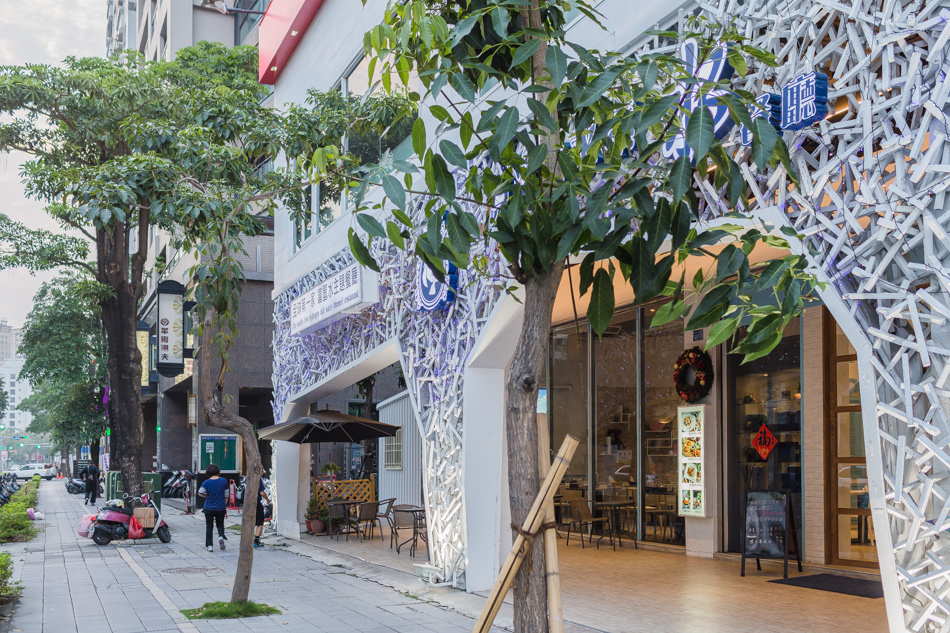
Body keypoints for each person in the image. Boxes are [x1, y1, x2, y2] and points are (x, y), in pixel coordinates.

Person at [198, 464, 229, 552]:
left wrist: (205, 496)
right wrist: (224, 503)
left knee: (209, 526)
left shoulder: (206, 482)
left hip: (209, 507)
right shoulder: (223, 481)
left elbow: (200, 492)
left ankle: (210, 546)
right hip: (220, 507)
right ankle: (221, 537)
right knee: (220, 524)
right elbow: (226, 494)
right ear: (218, 471)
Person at [254, 467, 270, 548]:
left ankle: (249, 540)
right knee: (260, 522)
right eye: (261, 469)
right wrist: (267, 499)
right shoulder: (259, 479)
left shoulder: (248, 478)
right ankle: (256, 540)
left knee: (251, 522)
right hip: (256, 502)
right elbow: (262, 492)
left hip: (248, 504)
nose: (263, 471)